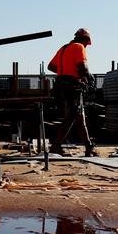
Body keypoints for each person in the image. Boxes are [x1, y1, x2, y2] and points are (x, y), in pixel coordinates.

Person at [47, 28, 97, 157]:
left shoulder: (64, 48)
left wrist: (65, 72)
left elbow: (51, 66)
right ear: (84, 39)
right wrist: (86, 77)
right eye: (87, 43)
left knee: (80, 118)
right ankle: (56, 146)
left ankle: (88, 147)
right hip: (73, 86)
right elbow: (83, 68)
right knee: (72, 116)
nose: (86, 46)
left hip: (61, 85)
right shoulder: (79, 47)